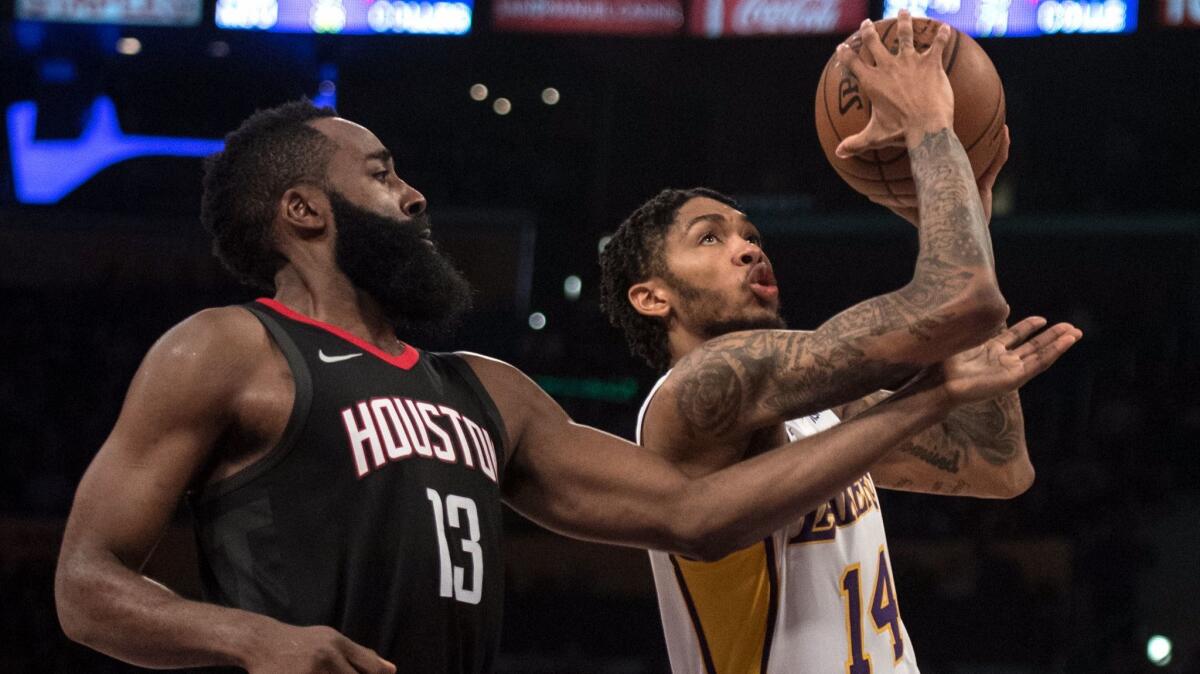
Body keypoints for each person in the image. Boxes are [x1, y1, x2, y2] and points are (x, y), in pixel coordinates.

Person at [55, 41, 1064, 674]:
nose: (412, 196)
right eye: (380, 172)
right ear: (303, 211)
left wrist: (923, 399)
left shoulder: (484, 389)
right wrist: (249, 638)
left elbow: (693, 518)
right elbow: (86, 582)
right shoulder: (228, 347)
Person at [598, 12, 1081, 674]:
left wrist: (955, 211)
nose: (746, 248)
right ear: (652, 297)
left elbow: (998, 470)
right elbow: (959, 299)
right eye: (710, 238)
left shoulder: (819, 415)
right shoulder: (696, 395)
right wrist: (931, 130)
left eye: (750, 235)